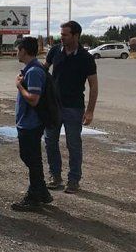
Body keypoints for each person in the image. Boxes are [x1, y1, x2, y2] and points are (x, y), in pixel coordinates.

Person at [43, 21, 98, 194]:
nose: (62, 37)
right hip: (53, 106)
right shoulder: (55, 51)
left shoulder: (85, 58)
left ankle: (74, 180)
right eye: (61, 34)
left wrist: (90, 111)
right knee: (50, 141)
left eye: (65, 34)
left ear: (76, 36)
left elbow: (93, 85)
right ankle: (55, 176)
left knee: (73, 144)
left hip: (74, 108)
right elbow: (44, 68)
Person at [11, 37, 53, 211]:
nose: (16, 52)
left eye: (18, 49)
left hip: (31, 123)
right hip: (27, 123)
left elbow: (34, 100)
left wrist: (19, 86)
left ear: (24, 50)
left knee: (31, 159)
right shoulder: (30, 69)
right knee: (30, 158)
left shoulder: (34, 71)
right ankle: (42, 192)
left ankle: (33, 197)